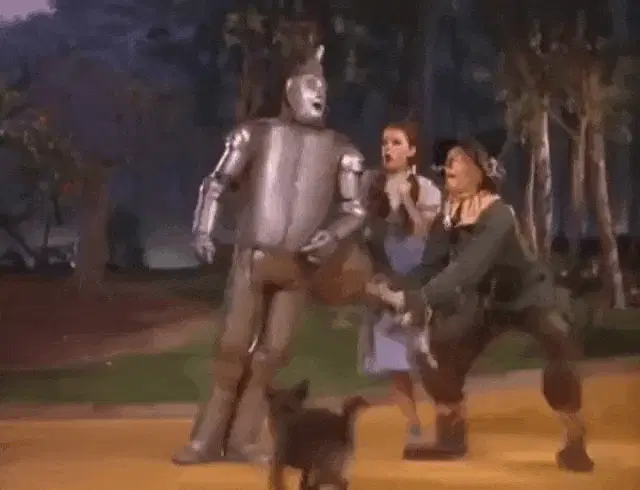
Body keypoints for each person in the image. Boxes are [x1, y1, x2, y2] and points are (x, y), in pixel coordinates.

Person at [172, 45, 367, 466]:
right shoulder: (255, 134)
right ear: (290, 88)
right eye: (311, 84)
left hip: (300, 266)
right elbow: (216, 182)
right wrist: (204, 227)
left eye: (323, 87)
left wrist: (332, 235)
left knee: (273, 355)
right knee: (232, 349)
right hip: (253, 257)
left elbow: (354, 210)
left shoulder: (342, 149)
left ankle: (243, 439)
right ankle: (206, 439)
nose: (319, 94)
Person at [367, 140, 594, 472]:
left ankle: (574, 436)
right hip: (485, 301)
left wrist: (417, 299)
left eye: (458, 159)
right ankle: (451, 436)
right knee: (437, 347)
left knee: (558, 341)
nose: (449, 164)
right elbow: (430, 267)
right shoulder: (448, 216)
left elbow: (467, 268)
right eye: (448, 160)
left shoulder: (498, 214)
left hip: (528, 295)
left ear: (480, 172)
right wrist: (396, 287)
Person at [358, 121, 441, 458]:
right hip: (385, 283)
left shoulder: (426, 189)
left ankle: (447, 418)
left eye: (395, 142)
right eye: (384, 142)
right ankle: (414, 425)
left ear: (412, 150)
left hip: (418, 283)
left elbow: (423, 234)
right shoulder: (371, 187)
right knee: (396, 363)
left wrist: (406, 199)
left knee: (426, 359)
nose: (387, 149)